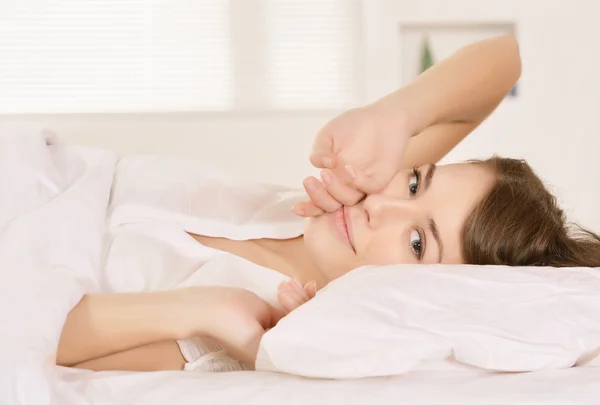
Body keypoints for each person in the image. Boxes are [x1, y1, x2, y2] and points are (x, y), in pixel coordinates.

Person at [55, 35, 600, 373]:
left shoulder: (248, 328)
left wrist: (206, 309)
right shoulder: (358, 195)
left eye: (416, 243)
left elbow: (39, 342)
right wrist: (396, 115)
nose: (381, 208)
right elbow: (506, 58)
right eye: (415, 182)